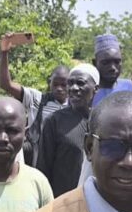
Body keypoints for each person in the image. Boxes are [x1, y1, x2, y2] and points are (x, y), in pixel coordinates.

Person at [0, 33, 69, 166]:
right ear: (49, 82)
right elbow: (6, 84)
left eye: (64, 85)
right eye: (56, 84)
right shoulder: (37, 100)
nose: (59, 89)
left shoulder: (75, 106)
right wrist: (4, 53)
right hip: (38, 164)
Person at [36, 64, 99, 197]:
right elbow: (43, 168)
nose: (74, 88)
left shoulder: (102, 121)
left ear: (95, 89)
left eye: (80, 83)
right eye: (70, 83)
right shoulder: (54, 121)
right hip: (62, 202)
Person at [91, 33, 132, 107]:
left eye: (117, 62)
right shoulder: (88, 92)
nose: (112, 68)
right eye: (105, 63)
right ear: (95, 63)